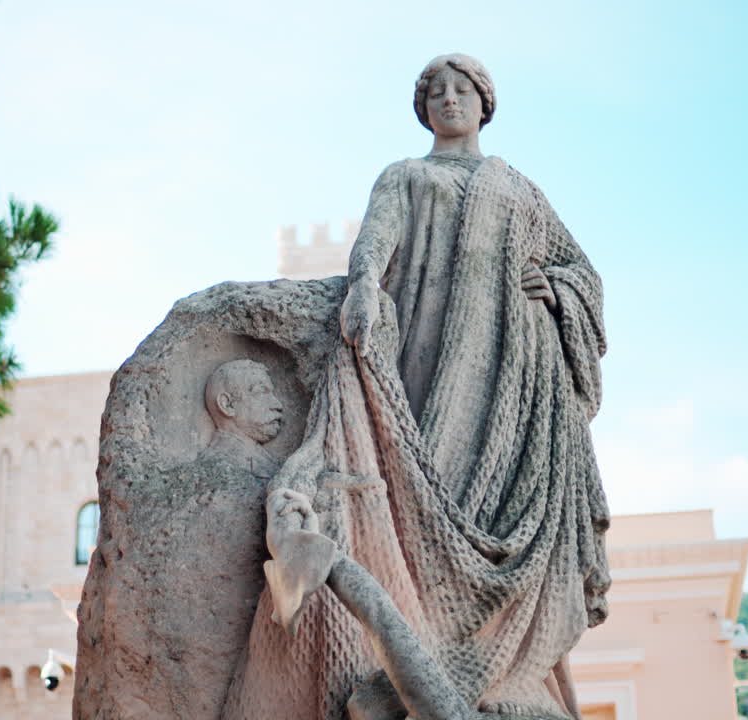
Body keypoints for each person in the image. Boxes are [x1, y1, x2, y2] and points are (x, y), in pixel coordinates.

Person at [224, 54, 611, 720]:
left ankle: (495, 670)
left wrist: (560, 296)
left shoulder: (518, 188)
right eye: (437, 91)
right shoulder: (406, 175)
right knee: (424, 499)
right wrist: (367, 287)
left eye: (463, 89)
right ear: (423, 106)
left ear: (485, 103)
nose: (450, 99)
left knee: (505, 508)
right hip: (428, 371)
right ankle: (416, 644)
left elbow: (582, 273)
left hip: (513, 379)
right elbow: (374, 243)